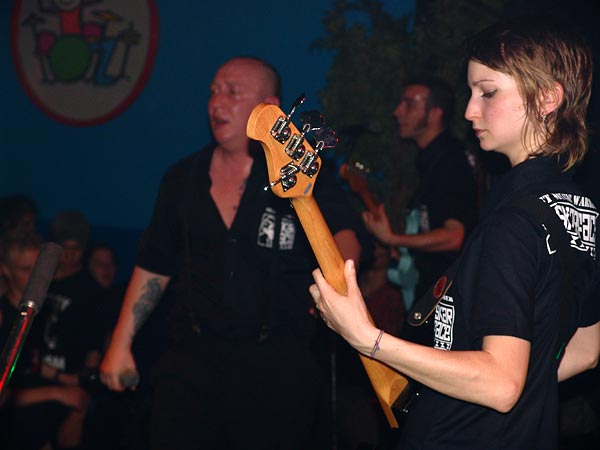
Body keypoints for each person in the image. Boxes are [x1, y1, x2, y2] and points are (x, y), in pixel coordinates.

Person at [309, 16, 600, 450]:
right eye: (471, 92)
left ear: (546, 98)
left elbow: (501, 384)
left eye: (488, 92)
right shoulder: (581, 210)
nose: (469, 111)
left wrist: (366, 338)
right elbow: (587, 349)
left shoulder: (514, 221)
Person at [100, 56, 363, 450]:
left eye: (233, 93)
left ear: (269, 108)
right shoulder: (182, 178)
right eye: (213, 92)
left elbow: (346, 236)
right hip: (191, 362)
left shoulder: (301, 171)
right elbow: (154, 264)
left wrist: (334, 284)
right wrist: (120, 343)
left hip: (277, 367)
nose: (216, 103)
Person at [364, 77, 477, 311]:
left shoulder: (450, 161)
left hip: (448, 294)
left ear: (435, 113)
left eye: (409, 103)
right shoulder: (431, 160)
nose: (397, 111)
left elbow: (454, 237)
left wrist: (392, 239)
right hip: (432, 288)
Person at [0, 229, 91, 450]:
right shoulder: (4, 317)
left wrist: (67, 379)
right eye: (26, 269)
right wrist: (57, 393)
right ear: (6, 270)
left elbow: (28, 361)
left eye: (38, 269)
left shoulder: (39, 310)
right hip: (12, 426)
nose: (35, 277)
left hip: (38, 421)